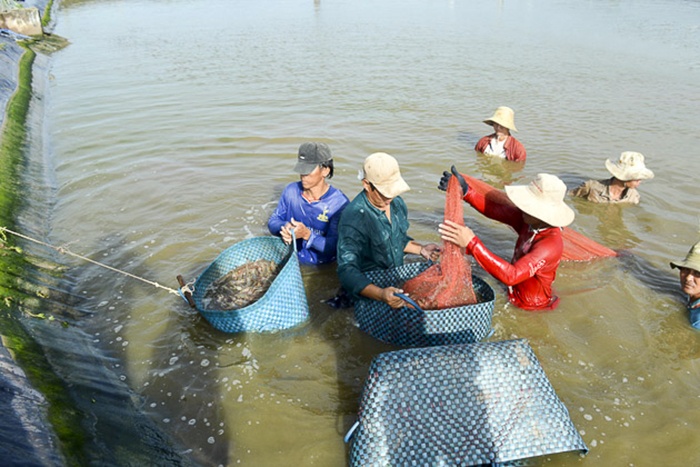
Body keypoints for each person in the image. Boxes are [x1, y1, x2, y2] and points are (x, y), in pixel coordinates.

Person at [437, 167, 575, 311]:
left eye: (528, 206)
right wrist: (466, 192)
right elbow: (496, 211)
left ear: (542, 213)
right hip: (512, 291)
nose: (522, 208)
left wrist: (472, 243)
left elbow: (512, 275)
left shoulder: (550, 245)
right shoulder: (530, 221)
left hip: (531, 307)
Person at [336, 152, 441, 308]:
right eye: (385, 192)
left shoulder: (396, 203)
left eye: (393, 191)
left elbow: (397, 240)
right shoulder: (354, 218)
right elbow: (346, 270)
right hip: (368, 289)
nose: (389, 198)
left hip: (392, 283)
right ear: (366, 184)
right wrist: (380, 294)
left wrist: (421, 250)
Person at [268, 142, 349, 265]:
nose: (303, 175)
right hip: (293, 260)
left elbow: (335, 247)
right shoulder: (291, 191)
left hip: (322, 267)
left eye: (308, 170)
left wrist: (307, 235)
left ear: (325, 171)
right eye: (301, 169)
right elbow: (273, 221)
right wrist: (286, 227)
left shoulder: (338, 204)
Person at [569, 151, 654, 204]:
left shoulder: (633, 197)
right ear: (624, 177)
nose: (640, 181)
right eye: (636, 178)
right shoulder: (591, 187)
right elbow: (570, 198)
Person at [670, 241, 700, 330]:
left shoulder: (697, 322)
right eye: (686, 269)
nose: (688, 278)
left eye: (697, 273)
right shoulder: (694, 293)